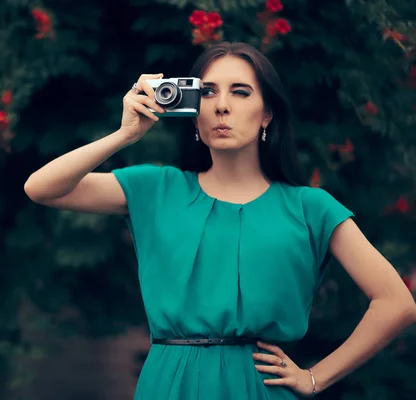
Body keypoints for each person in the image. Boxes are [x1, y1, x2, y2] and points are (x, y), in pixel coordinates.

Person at [24, 41, 416, 399]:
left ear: (267, 115)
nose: (221, 105)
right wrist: (124, 135)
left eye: (240, 92)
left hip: (260, 387)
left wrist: (316, 377)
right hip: (168, 385)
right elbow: (42, 188)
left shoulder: (310, 207)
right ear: (193, 115)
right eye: (207, 92)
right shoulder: (157, 189)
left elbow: (396, 302)